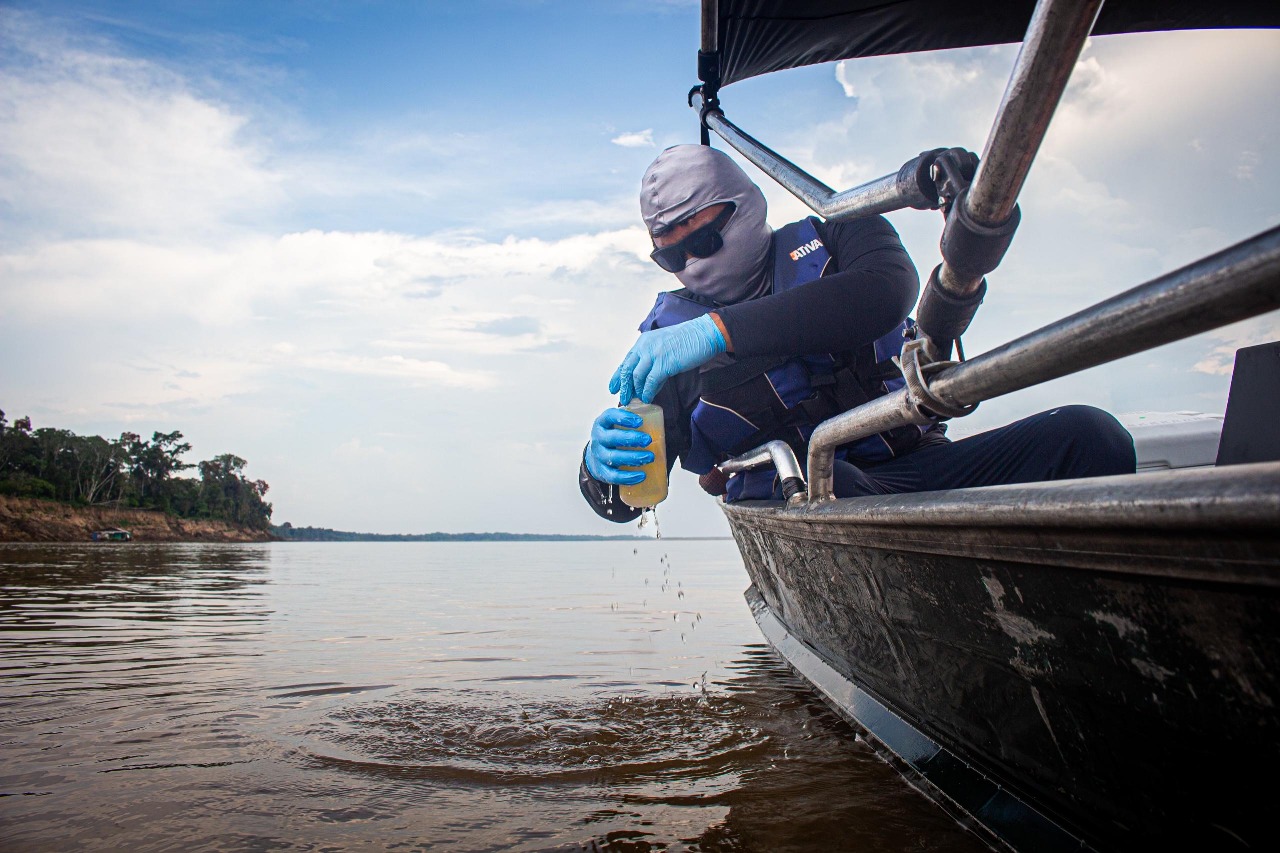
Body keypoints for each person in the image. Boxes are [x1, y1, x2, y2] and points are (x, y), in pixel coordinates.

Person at [580, 144, 1135, 522]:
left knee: (1089, 437)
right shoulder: (666, 347)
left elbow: (886, 293)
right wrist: (600, 467)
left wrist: (723, 330)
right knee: (831, 484)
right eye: (670, 253)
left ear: (745, 210)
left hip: (922, 462)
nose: (692, 263)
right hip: (800, 494)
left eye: (702, 241)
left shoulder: (845, 232)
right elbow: (627, 504)